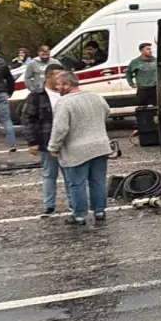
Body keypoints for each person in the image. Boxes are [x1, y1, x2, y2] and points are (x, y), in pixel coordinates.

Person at [48, 71, 113, 225]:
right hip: (100, 145)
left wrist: (53, 147)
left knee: (77, 183)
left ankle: (80, 215)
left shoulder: (64, 103)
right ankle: (99, 211)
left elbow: (60, 129)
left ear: (67, 85)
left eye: (59, 84)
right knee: (98, 181)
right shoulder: (95, 96)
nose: (57, 87)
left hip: (76, 149)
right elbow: (107, 112)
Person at [22, 64, 67, 217]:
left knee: (71, 175)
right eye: (58, 76)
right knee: (49, 174)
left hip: (68, 141)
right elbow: (28, 119)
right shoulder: (36, 96)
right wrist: (32, 141)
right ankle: (49, 205)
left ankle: (76, 203)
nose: (62, 79)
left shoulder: (67, 93)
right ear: (48, 77)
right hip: (47, 140)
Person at [127, 43, 159, 107]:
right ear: (142, 51)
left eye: (151, 49)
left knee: (158, 107)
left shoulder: (156, 60)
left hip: (155, 88)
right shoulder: (135, 62)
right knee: (143, 109)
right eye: (148, 49)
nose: (150, 51)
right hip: (143, 90)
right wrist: (131, 83)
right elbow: (128, 73)